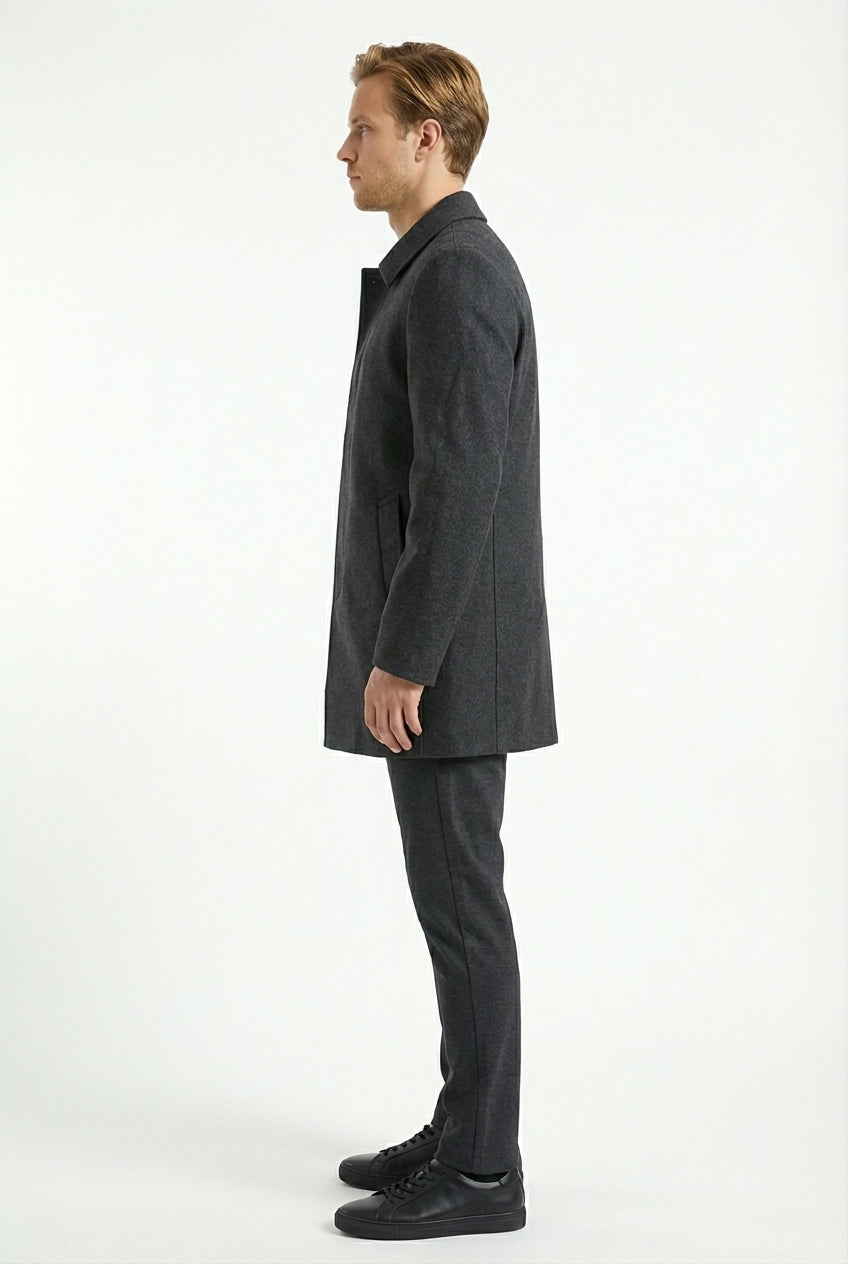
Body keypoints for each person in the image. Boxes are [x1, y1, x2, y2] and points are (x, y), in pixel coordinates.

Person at [324, 41, 557, 1241]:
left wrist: (402, 655)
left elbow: (456, 488)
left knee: (463, 909)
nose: (343, 149)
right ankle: (464, 1123)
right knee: (453, 903)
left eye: (363, 127)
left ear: (427, 138)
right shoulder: (436, 268)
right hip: (446, 658)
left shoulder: (457, 273)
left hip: (447, 666)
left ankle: (480, 1170)